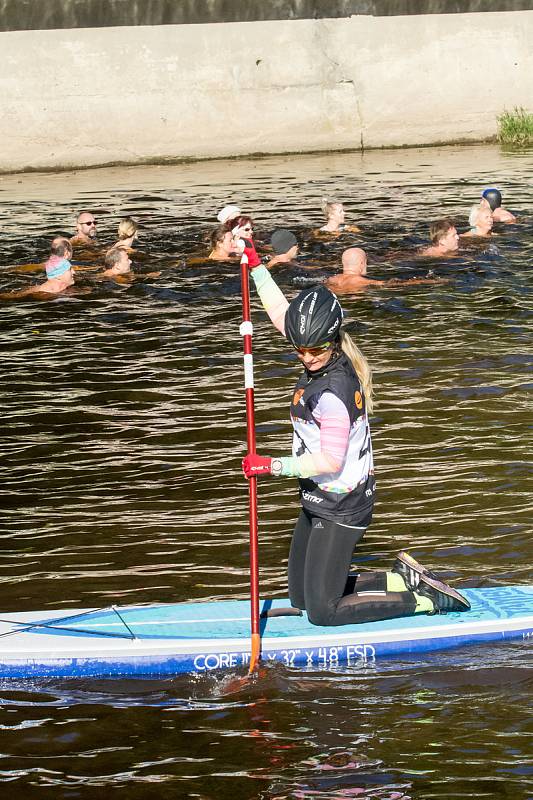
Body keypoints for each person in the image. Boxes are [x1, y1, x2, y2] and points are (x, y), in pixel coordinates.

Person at [241, 256, 470, 625]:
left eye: (315, 350)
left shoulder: (333, 394)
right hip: (317, 495)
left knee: (321, 612)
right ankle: (398, 578)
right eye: (301, 350)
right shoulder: (322, 346)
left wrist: (271, 466)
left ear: (331, 341)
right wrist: (256, 267)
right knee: (299, 597)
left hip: (343, 504)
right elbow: (282, 313)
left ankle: (426, 601)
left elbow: (330, 461)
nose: (308, 357)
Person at [326, 248, 447, 294]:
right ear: (362, 263)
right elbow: (390, 285)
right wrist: (425, 282)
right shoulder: (360, 281)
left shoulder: (331, 279)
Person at [0, 237, 76, 299]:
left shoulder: (53, 269)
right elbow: (14, 296)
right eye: (70, 269)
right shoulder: (45, 290)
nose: (74, 272)